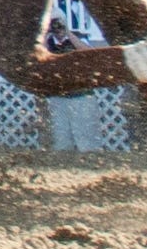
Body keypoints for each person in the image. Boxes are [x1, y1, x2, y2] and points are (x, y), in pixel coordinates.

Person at [42, 15, 102, 152]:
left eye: (59, 24)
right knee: (61, 138)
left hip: (81, 95)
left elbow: (90, 54)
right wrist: (46, 35)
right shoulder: (48, 43)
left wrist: (69, 34)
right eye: (54, 25)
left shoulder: (79, 38)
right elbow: (41, 57)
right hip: (59, 96)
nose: (58, 29)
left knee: (87, 137)